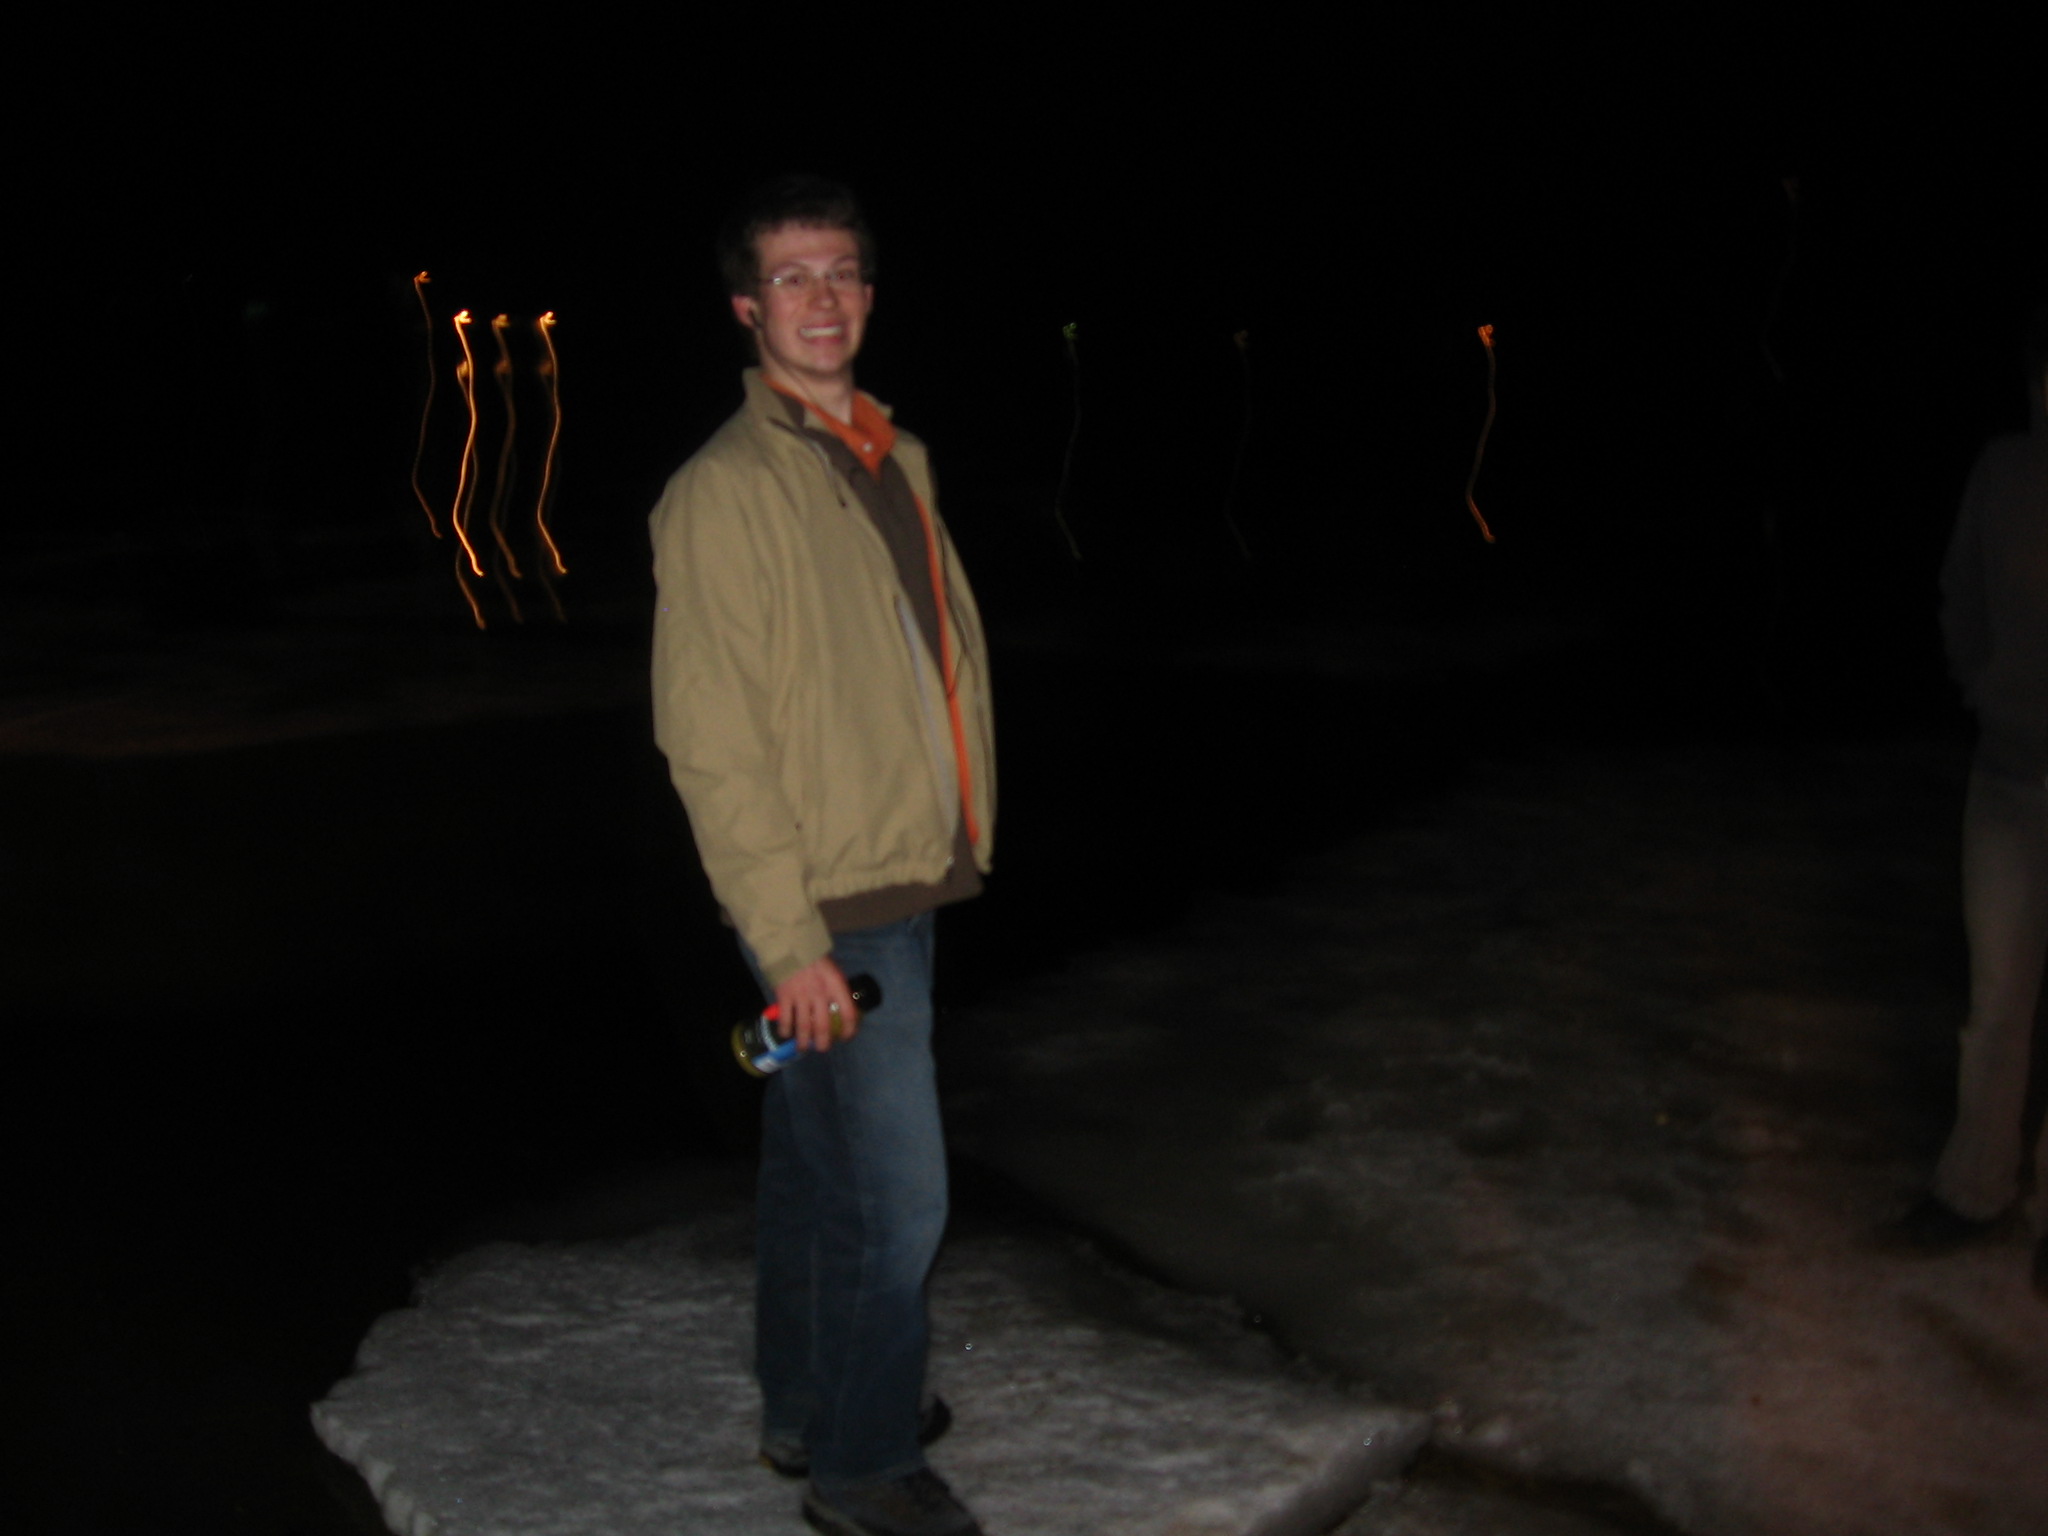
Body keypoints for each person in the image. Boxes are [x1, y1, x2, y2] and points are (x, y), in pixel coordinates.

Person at [649, 176, 994, 1535]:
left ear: (869, 291)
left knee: (814, 1168)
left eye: (840, 271)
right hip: (826, 905)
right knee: (898, 1202)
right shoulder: (723, 493)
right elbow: (712, 744)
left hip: (899, 867)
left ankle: (809, 1402)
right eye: (791, 277)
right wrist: (787, 943)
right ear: (747, 308)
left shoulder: (890, 457)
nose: (822, 297)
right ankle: (861, 1466)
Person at [1892, 307, 2048, 1298]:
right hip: (2008, 782)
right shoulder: (2004, 471)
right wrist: (1982, 685)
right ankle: (1973, 1186)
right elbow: (1957, 591)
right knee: (1996, 1006)